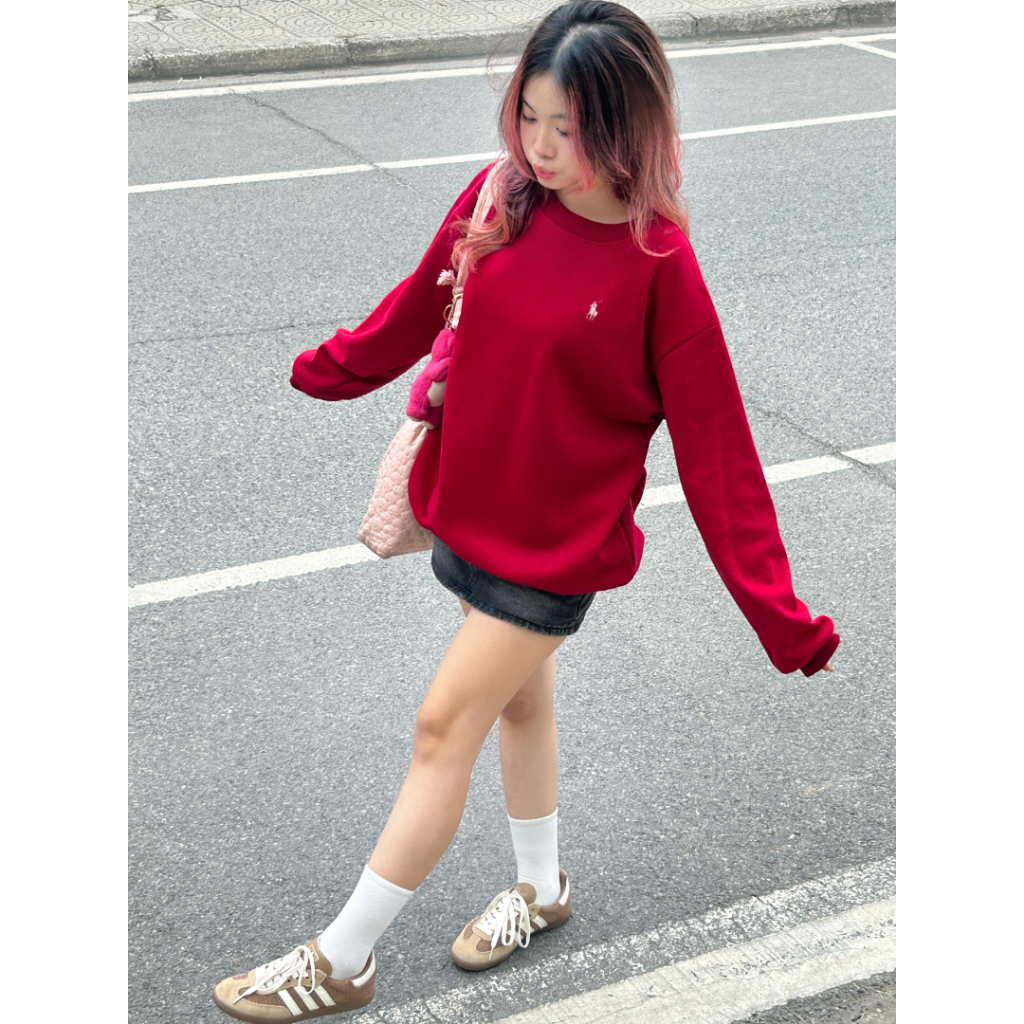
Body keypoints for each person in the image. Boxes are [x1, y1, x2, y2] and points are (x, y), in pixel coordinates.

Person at [212, 2, 839, 1019]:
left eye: (569, 130)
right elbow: (419, 301)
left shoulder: (658, 269)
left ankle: (343, 959)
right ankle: (542, 890)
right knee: (518, 700)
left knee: (440, 726)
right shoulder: (503, 194)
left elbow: (720, 458)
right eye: (530, 119)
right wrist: (332, 368)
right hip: (469, 513)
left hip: (555, 550)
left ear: (626, 129)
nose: (541, 149)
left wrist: (782, 617)